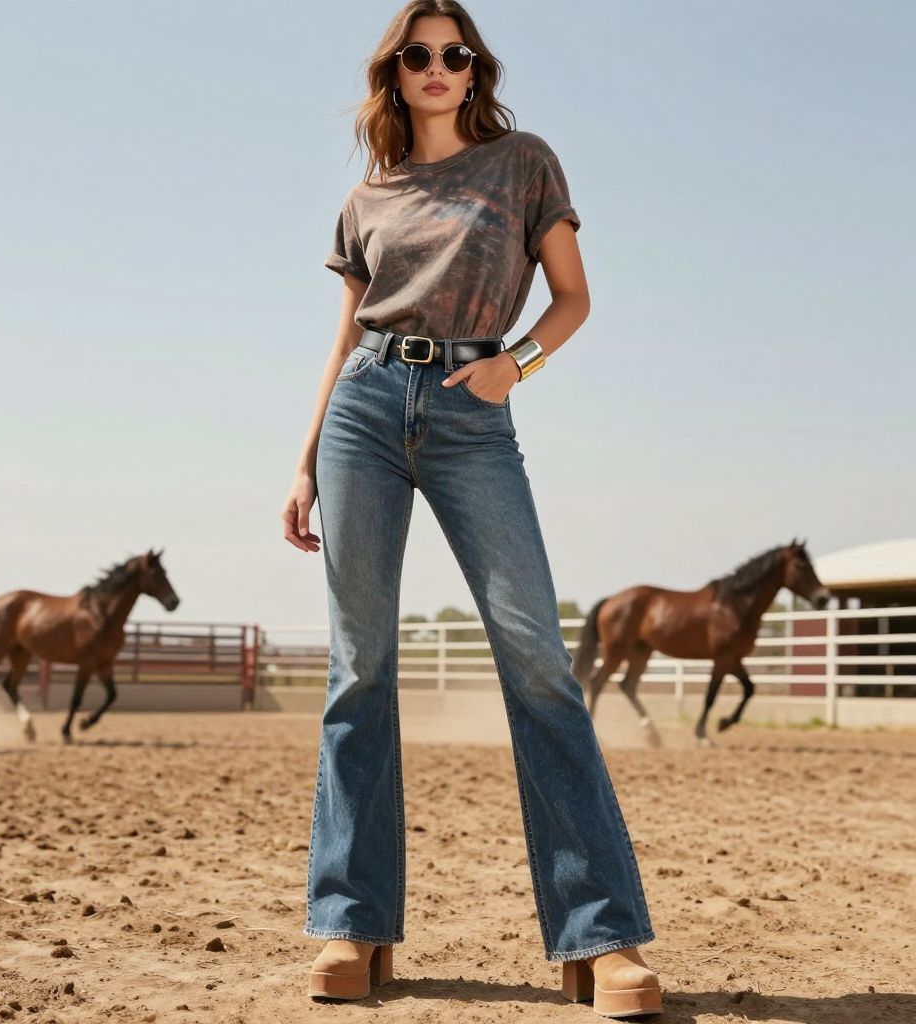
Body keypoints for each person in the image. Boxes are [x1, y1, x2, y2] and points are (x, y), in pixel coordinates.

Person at [283, 1, 662, 1015]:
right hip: (365, 405)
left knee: (536, 655)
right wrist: (307, 457)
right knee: (360, 665)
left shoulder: (524, 161)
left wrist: (515, 366)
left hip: (470, 409)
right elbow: (342, 335)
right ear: (394, 74)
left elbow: (573, 297)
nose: (438, 67)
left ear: (474, 67)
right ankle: (353, 925)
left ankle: (601, 936)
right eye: (419, 55)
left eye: (455, 53)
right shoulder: (367, 198)